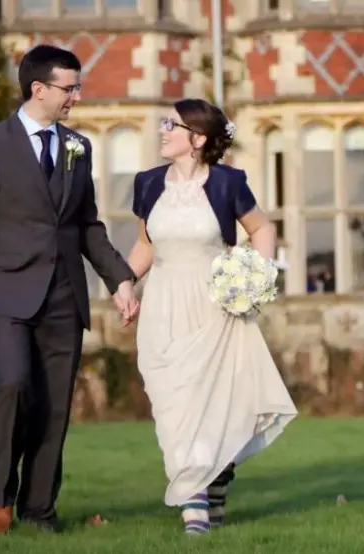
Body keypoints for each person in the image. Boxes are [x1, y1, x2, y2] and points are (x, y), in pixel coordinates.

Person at [0, 44, 139, 534]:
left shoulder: (79, 147)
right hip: (4, 295)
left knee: (54, 406)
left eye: (77, 87)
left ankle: (39, 509)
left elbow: (87, 225)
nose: (77, 96)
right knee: (12, 383)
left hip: (63, 298)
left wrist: (120, 278)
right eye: (69, 88)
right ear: (39, 89)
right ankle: (0, 502)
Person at [125, 99, 297, 535]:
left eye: (172, 125)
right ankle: (205, 491)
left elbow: (262, 229)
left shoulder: (227, 183)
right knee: (174, 408)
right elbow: (146, 245)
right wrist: (124, 284)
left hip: (215, 306)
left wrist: (256, 275)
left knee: (213, 407)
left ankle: (198, 507)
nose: (162, 131)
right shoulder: (147, 184)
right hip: (163, 306)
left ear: (197, 139)